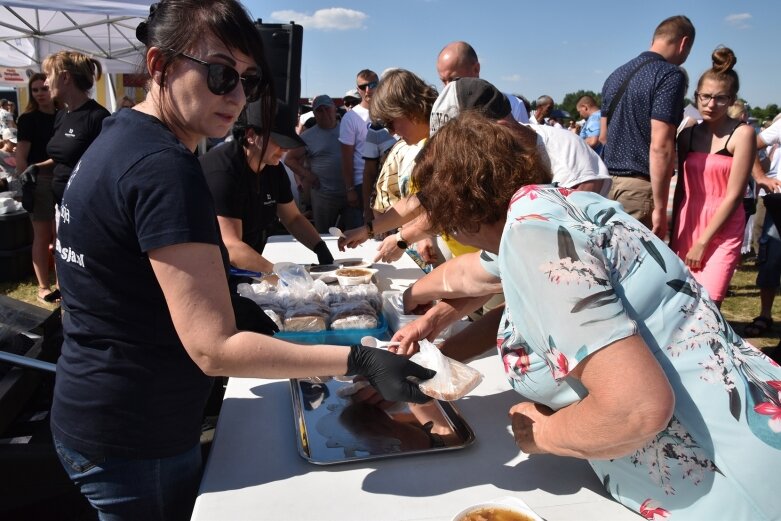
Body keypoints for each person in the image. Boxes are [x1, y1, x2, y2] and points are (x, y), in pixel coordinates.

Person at [50, 2, 435, 519]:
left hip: (99, 406)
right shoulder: (165, 167)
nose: (235, 95)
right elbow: (214, 349)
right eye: (219, 73)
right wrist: (360, 360)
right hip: (136, 430)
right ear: (160, 65)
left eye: (248, 82)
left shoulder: (122, 138)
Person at [400, 111, 781, 520]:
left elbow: (634, 409)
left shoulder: (533, 238)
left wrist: (540, 435)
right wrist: (414, 302)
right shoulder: (554, 209)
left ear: (456, 211)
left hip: (725, 485)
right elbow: (472, 273)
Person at [200, 99, 334, 272]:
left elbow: (292, 218)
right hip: (207, 265)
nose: (285, 149)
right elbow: (232, 247)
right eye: (279, 141)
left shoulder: (273, 167)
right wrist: (279, 273)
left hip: (246, 257)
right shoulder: (224, 172)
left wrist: (320, 248)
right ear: (251, 136)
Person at [670, 47, 755, 308]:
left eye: (720, 98)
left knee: (710, 301)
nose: (710, 104)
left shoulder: (743, 135)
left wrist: (703, 242)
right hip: (688, 221)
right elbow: (681, 190)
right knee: (682, 301)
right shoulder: (688, 135)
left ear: (731, 100)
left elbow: (734, 195)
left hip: (723, 226)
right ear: (696, 96)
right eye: (705, 97)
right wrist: (674, 233)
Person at [600, 15, 695, 240]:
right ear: (684, 43)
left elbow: (603, 136)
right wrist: (661, 210)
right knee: (635, 267)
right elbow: (660, 145)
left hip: (607, 184)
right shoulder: (670, 75)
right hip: (639, 189)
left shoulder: (616, 74)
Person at [41, 50, 111, 207]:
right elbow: (65, 157)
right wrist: (36, 168)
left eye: (48, 75)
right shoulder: (61, 115)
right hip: (60, 206)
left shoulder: (98, 117)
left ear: (65, 77)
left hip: (86, 209)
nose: (45, 82)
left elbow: (105, 168)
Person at [15, 72, 58, 303]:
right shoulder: (28, 119)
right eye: (35, 90)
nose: (40, 93)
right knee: (42, 236)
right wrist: (27, 181)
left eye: (44, 88)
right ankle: (43, 286)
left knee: (61, 235)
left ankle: (62, 283)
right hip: (38, 180)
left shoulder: (64, 115)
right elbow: (20, 154)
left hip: (62, 178)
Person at [285, 95, 348, 233]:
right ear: (314, 114)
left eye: (327, 109)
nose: (325, 113)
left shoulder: (348, 129)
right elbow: (289, 159)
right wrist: (309, 176)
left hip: (349, 193)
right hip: (324, 196)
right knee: (324, 234)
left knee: (352, 233)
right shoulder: (307, 136)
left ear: (334, 109)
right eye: (320, 111)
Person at [436, 41, 529, 124]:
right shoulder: (441, 110)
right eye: (444, 81)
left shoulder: (515, 105)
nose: (447, 87)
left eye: (453, 79)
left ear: (476, 69)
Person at [339, 69, 378, 229]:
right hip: (362, 183)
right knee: (366, 231)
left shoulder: (387, 112)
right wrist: (350, 189)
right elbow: (346, 157)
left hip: (386, 180)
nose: (368, 89)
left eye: (372, 84)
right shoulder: (351, 117)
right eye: (363, 87)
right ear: (358, 90)